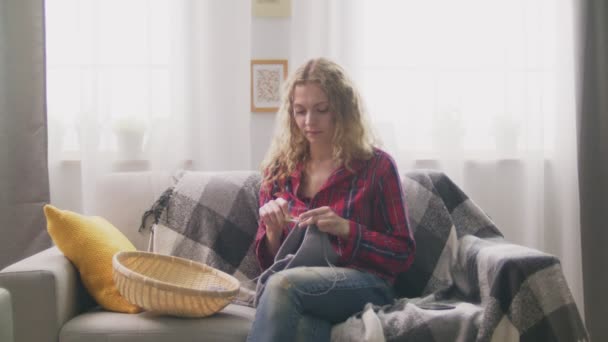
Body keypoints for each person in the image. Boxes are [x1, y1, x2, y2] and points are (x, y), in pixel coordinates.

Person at [247, 58, 416, 342]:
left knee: (283, 286)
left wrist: (347, 229)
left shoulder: (377, 166)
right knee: (302, 326)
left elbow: (402, 253)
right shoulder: (278, 170)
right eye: (300, 111)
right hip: (301, 286)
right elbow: (268, 263)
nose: (309, 122)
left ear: (343, 110)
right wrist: (274, 232)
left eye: (321, 110)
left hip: (365, 282)